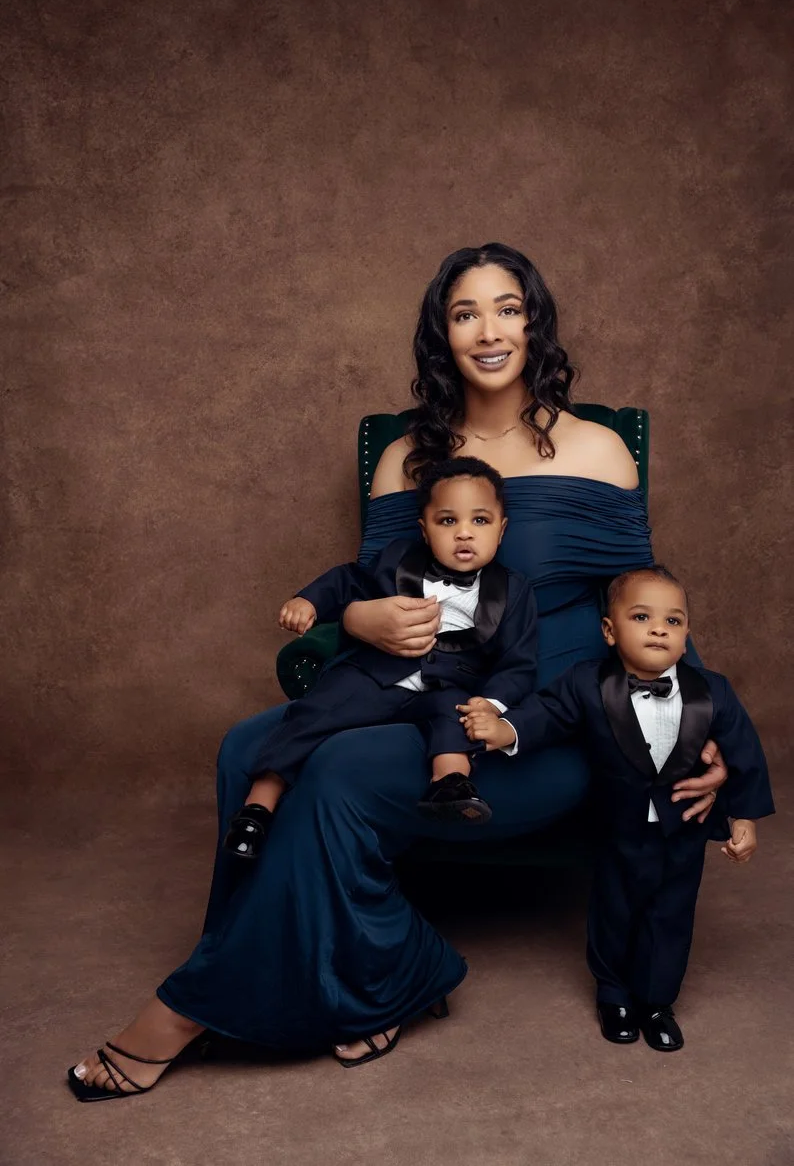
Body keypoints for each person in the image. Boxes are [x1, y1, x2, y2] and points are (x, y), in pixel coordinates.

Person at [68, 242, 728, 1099]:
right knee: (245, 749)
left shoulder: (598, 449)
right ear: (441, 333)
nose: (488, 331)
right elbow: (372, 585)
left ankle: (184, 1013)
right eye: (465, 313)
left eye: (507, 309)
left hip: (546, 722)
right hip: (417, 691)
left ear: (534, 323)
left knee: (337, 770)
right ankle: (388, 968)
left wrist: (703, 721)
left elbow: (650, 601)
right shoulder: (405, 457)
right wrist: (357, 617)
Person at [460, 565, 774, 1052]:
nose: (658, 629)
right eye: (642, 617)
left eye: (673, 621)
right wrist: (505, 730)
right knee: (614, 910)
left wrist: (744, 818)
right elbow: (546, 714)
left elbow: (743, 753)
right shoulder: (586, 682)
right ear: (609, 630)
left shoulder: (714, 690)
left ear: (686, 635)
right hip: (618, 825)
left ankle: (657, 1002)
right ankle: (614, 995)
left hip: (684, 828)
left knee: (671, 916)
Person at [223, 457, 537, 858]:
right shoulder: (398, 559)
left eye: (480, 520)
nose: (464, 533)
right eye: (447, 521)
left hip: (449, 684)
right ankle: (258, 806)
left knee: (457, 717)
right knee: (313, 713)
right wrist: (309, 601)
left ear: (501, 529)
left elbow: (518, 663)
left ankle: (450, 785)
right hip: (376, 674)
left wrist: (491, 703)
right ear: (424, 530)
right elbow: (349, 580)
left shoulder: (514, 591)